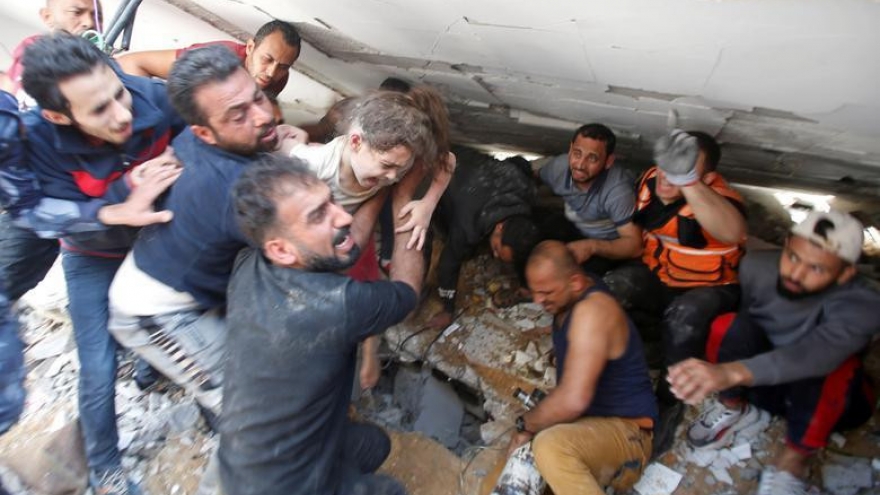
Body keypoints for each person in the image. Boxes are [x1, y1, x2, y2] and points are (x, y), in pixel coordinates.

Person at [19, 33, 185, 495]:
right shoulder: (36, 141)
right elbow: (42, 215)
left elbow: (202, 134)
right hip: (90, 256)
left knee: (175, 326)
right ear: (58, 116)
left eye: (118, 93)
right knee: (99, 366)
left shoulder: (153, 98)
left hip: (154, 242)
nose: (122, 114)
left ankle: (153, 374)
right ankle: (105, 467)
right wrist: (120, 199)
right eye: (99, 110)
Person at [108, 44, 298, 418]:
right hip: (155, 314)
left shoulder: (194, 138)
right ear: (205, 133)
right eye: (238, 115)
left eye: (258, 98)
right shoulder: (236, 189)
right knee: (244, 404)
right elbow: (309, 253)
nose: (264, 117)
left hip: (178, 278)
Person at [218, 154, 424, 495]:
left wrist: (381, 190)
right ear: (281, 250)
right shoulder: (339, 306)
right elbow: (407, 291)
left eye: (331, 201)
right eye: (318, 215)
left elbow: (340, 247)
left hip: (249, 460)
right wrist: (405, 197)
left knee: (374, 445)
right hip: (287, 488)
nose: (343, 216)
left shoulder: (250, 264)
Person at [669, 210, 877, 495]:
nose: (796, 273)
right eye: (793, 257)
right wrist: (730, 376)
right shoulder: (757, 268)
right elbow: (749, 325)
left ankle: (792, 463)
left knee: (838, 367)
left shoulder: (864, 304)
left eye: (817, 269)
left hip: (828, 403)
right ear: (787, 243)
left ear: (846, 274)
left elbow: (815, 356)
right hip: (764, 381)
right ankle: (732, 406)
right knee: (728, 325)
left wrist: (730, 372)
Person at [281, 86, 450, 389]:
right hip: (324, 229)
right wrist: (291, 141)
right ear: (356, 142)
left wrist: (428, 204)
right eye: (388, 167)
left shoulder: (391, 161)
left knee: (364, 278)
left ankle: (368, 352)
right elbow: (286, 154)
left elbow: (446, 159)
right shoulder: (316, 164)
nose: (393, 177)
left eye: (401, 169)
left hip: (352, 224)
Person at [603, 129, 747, 455]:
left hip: (708, 289)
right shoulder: (650, 182)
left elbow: (733, 230)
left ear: (706, 177)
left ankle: (669, 401)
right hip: (662, 277)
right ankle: (638, 355)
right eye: (667, 165)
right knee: (612, 289)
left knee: (683, 319)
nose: (669, 176)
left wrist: (689, 183)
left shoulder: (717, 199)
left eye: (684, 168)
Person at [484, 241, 657, 495]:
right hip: (588, 425)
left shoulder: (592, 311)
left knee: (550, 447)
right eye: (535, 292)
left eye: (546, 292)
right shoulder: (570, 298)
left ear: (575, 282)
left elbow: (573, 400)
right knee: (502, 478)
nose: (538, 300)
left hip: (629, 434)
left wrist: (526, 424)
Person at [429, 145, 541, 330]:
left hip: (480, 171)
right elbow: (448, 264)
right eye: (496, 249)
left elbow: (520, 162)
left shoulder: (527, 191)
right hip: (447, 165)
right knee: (450, 241)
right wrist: (447, 310)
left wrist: (525, 282)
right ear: (500, 227)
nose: (494, 255)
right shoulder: (467, 223)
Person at [537, 123, 641, 276]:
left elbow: (634, 245)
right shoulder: (559, 167)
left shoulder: (618, 191)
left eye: (592, 158)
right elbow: (533, 177)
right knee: (538, 237)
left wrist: (591, 247)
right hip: (576, 226)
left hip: (607, 243)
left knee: (581, 275)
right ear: (570, 149)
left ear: (608, 161)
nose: (580, 165)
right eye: (577, 153)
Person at [116, 19, 301, 97]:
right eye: (267, 59)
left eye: (284, 66)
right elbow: (133, 62)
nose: (272, 72)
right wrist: (149, 112)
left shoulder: (279, 79)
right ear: (250, 47)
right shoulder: (216, 58)